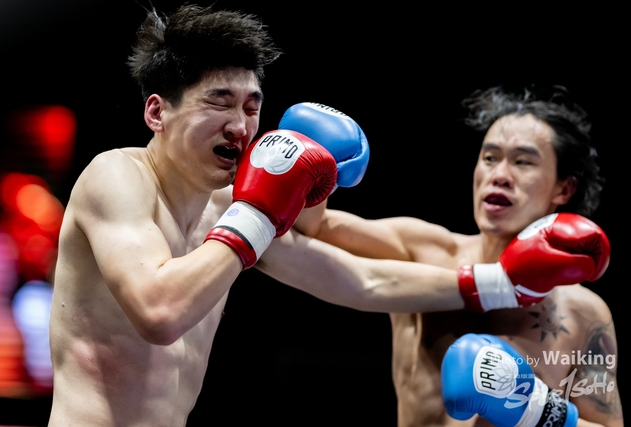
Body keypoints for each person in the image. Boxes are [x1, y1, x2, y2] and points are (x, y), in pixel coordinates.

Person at [46, 3, 613, 425]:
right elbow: (159, 311)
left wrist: (504, 284)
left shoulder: (230, 207)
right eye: (219, 102)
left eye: (252, 106)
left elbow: (358, 281)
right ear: (157, 113)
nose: (241, 126)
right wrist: (260, 211)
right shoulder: (117, 176)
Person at [289, 87, 623, 426]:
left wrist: (534, 410)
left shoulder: (582, 312)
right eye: (490, 158)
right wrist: (315, 164)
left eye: (523, 162)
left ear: (564, 189)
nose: (500, 175)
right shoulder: (422, 250)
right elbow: (311, 229)